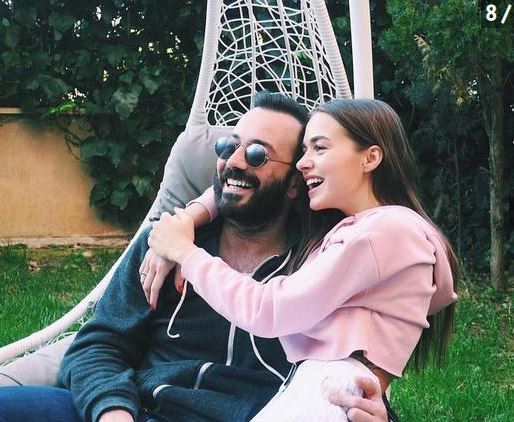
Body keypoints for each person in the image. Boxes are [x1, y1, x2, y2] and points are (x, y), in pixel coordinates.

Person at [0, 92, 395, 422]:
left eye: (257, 154)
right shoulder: (164, 243)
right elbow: (100, 343)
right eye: (229, 146)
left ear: (295, 183)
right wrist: (113, 412)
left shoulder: (321, 266)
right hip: (135, 408)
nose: (234, 161)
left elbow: (353, 378)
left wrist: (378, 414)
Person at [147, 98, 459, 421]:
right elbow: (242, 185)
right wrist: (191, 216)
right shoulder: (361, 230)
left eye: (319, 148)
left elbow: (267, 310)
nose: (302, 164)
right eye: (303, 151)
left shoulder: (382, 233)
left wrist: (185, 253)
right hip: (324, 387)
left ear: (370, 158)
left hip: (330, 390)